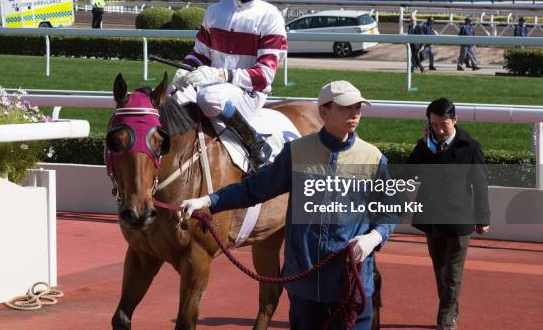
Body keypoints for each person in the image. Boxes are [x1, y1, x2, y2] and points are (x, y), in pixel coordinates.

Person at [181, 81, 397, 329]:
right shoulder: (296, 153)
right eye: (346, 107)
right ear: (323, 112)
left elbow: (390, 209)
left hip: (352, 285)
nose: (355, 113)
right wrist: (208, 201)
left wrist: (374, 238)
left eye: (358, 107)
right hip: (305, 287)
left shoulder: (373, 158)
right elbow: (254, 188)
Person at [172, 0, 287, 170]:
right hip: (213, 84)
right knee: (171, 96)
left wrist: (220, 74)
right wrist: (183, 70)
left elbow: (263, 77)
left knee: (209, 97)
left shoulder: (270, 17)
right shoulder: (215, 11)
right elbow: (199, 55)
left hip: (248, 94)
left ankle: (254, 142)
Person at [407, 98, 490, 330]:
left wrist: (482, 218)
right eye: (433, 125)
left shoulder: (470, 147)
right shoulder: (425, 146)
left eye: (444, 124)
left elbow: (480, 185)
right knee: (441, 272)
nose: (439, 130)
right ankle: (452, 313)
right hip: (433, 219)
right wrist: (424, 147)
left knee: (453, 274)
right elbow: (408, 175)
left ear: (455, 120)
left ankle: (445, 322)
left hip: (459, 219)